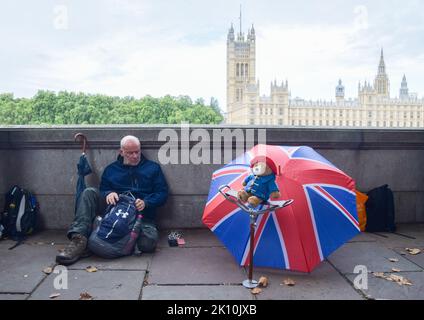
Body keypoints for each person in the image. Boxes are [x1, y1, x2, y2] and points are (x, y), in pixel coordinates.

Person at [56, 135, 168, 265]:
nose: (135, 156)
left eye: (137, 151)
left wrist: (147, 202)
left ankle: (101, 238)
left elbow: (162, 194)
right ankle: (79, 240)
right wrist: (108, 193)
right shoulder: (111, 170)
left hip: (140, 217)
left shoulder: (153, 168)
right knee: (89, 192)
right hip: (113, 212)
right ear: (121, 152)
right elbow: (103, 189)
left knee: (147, 244)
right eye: (130, 153)